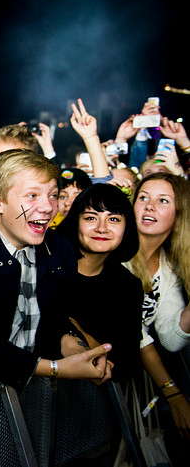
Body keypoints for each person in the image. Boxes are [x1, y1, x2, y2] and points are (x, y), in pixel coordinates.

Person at [0, 150, 114, 391]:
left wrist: (76, 349)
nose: (48, 207)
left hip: (35, 398)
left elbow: (57, 318)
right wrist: (54, 369)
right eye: (32, 195)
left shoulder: (60, 249)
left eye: (52, 195)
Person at [123, 172, 190, 457]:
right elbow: (133, 334)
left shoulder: (168, 266)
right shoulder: (115, 254)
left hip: (133, 383)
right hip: (95, 385)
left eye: (162, 200)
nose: (149, 206)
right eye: (143, 198)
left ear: (179, 214)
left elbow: (171, 339)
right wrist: (173, 393)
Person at [55, 184, 143, 382]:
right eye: (90, 218)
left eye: (113, 219)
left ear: (127, 227)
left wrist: (86, 339)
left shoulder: (128, 285)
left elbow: (127, 363)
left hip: (97, 400)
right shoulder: (51, 268)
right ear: (75, 222)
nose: (101, 228)